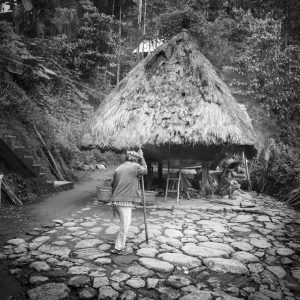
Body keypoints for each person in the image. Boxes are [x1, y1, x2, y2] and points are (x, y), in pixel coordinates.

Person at [110, 149, 147, 254]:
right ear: (133, 160)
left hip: (116, 201)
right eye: (136, 160)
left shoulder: (118, 169)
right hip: (124, 202)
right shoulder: (135, 167)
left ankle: (119, 242)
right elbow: (145, 170)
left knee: (125, 223)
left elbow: (112, 184)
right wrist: (142, 158)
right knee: (125, 225)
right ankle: (119, 247)